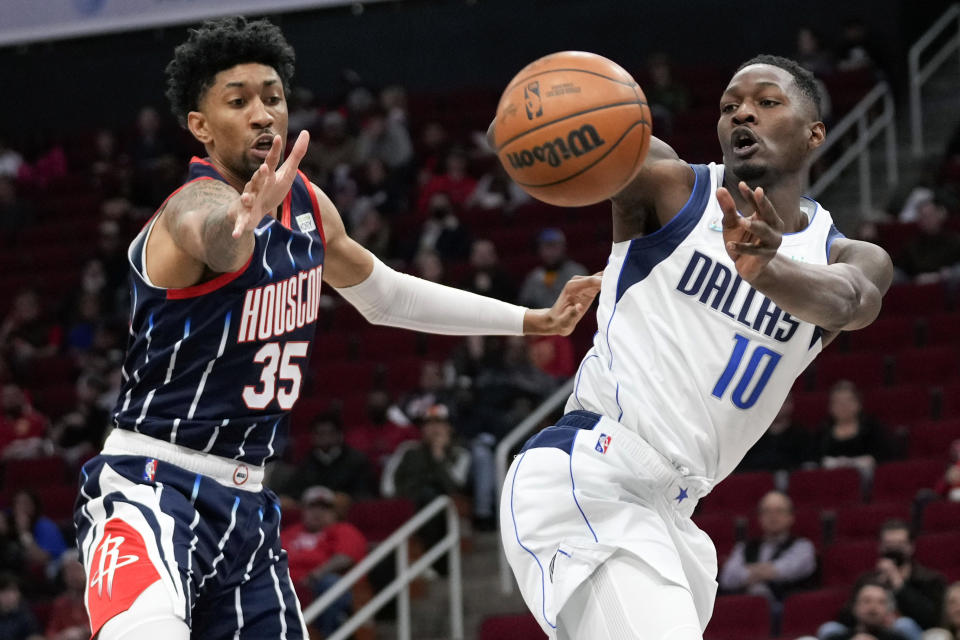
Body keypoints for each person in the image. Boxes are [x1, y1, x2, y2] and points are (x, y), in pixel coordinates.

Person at [73, 16, 600, 640]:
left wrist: (528, 320)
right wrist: (240, 222)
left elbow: (385, 296)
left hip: (247, 504)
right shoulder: (192, 207)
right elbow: (216, 238)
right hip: (150, 488)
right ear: (200, 126)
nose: (264, 114)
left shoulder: (306, 205)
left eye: (273, 96)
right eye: (238, 101)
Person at [495, 53, 893, 640]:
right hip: (593, 467)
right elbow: (550, 134)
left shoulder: (848, 258)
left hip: (674, 509)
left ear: (815, 133)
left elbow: (851, 302)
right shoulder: (670, 185)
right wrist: (521, 124)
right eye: (730, 105)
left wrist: (768, 271)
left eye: (766, 102)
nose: (743, 114)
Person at [280, 486, 366, 637]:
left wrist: (316, 574)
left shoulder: (343, 529)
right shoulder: (288, 533)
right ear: (303, 510)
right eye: (312, 507)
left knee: (331, 583)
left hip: (318, 588)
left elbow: (345, 558)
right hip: (288, 589)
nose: (318, 512)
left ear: (334, 512)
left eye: (325, 508)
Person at [832, 520, 947, 634]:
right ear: (880, 547)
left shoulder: (930, 579)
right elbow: (844, 618)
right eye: (889, 544)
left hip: (912, 634)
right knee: (830, 628)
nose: (894, 549)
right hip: (869, 632)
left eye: (900, 544)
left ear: (911, 547)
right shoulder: (866, 579)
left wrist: (899, 585)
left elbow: (932, 619)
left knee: (903, 625)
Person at [718, 491, 817, 603]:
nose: (773, 516)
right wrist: (767, 571)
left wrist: (749, 570)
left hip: (787, 608)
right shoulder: (744, 547)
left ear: (791, 517)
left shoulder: (803, 546)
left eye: (779, 511)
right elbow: (727, 578)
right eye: (767, 511)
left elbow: (788, 570)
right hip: (747, 607)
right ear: (759, 518)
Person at [816, 380, 893, 483]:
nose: (843, 406)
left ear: (859, 403)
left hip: (867, 484)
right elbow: (814, 463)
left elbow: (885, 458)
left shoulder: (872, 429)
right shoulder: (821, 432)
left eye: (848, 401)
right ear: (830, 407)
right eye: (838, 402)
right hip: (830, 483)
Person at [737, 393, 815, 472]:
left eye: (783, 401)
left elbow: (808, 469)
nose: (777, 405)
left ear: (791, 405)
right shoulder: (751, 437)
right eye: (772, 401)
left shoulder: (802, 436)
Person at [517, 228, 589, 310]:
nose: (550, 252)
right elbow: (524, 305)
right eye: (546, 247)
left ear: (563, 247)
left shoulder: (577, 272)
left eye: (554, 246)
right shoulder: (534, 277)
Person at [821, 582, 917, 640]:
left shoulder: (899, 639)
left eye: (881, 602)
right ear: (855, 607)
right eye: (867, 601)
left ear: (888, 610)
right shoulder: (836, 638)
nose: (873, 607)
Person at [46, 550, 90, 640]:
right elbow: (51, 632)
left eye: (77, 570)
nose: (73, 575)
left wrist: (82, 631)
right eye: (69, 571)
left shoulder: (101, 597)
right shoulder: (61, 603)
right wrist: (63, 636)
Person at [0, 573, 42, 640]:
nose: (7, 595)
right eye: (3, 591)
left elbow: (35, 636)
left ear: (18, 594)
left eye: (11, 590)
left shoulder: (26, 617)